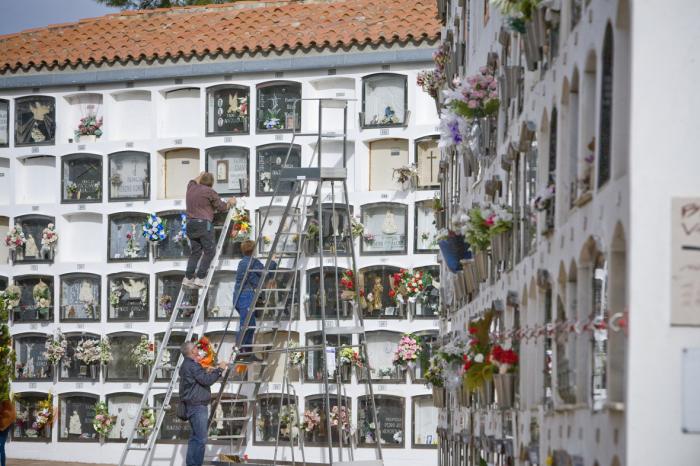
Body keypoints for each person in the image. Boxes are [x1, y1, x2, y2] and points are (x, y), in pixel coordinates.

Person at [184, 172, 236, 288]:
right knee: (210, 252)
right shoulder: (209, 191)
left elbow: (193, 179)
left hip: (190, 224)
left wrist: (201, 174)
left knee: (195, 252)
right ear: (211, 183)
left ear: (200, 180)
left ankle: (188, 278)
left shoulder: (191, 187)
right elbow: (222, 207)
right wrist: (230, 202)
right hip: (203, 224)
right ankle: (200, 278)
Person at [179, 341, 227, 466]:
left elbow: (197, 381)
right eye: (195, 347)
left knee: (194, 438)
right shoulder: (193, 366)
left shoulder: (186, 365)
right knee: (201, 439)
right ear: (192, 351)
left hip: (192, 405)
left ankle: (191, 464)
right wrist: (220, 369)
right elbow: (206, 381)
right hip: (197, 406)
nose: (197, 348)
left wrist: (206, 370)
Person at [234, 240, 277, 360]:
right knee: (246, 325)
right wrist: (273, 261)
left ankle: (246, 353)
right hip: (246, 296)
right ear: (253, 250)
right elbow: (265, 273)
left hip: (238, 296)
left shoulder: (242, 262)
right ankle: (239, 353)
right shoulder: (252, 262)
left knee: (249, 325)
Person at [0, 399, 16, 466]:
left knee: (1, 447)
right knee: (1, 447)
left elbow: (10, 421)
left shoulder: (7, 411)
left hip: (3, 429)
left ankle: (3, 465)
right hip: (4, 428)